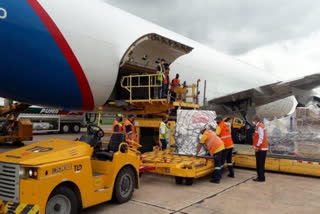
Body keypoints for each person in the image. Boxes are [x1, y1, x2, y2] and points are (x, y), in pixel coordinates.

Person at [252, 115, 268, 182]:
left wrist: (257, 146)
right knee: (260, 163)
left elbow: (261, 137)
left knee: (260, 164)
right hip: (262, 148)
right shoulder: (261, 125)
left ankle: (261, 177)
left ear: (256, 120)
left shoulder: (259, 127)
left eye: (253, 121)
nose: (253, 122)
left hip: (261, 148)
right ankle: (260, 176)